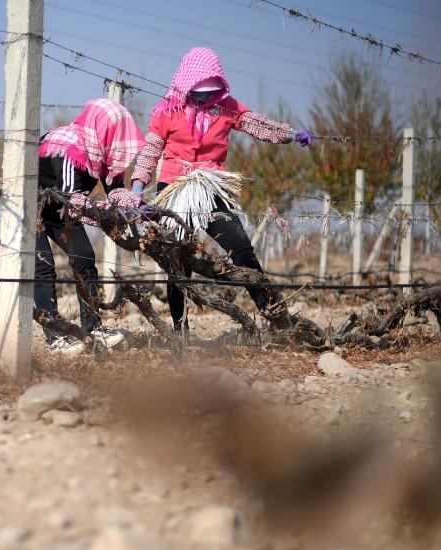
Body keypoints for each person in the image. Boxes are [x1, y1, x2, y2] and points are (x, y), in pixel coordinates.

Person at [129, 47, 312, 331]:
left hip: (212, 187)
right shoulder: (167, 109)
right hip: (174, 187)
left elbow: (256, 123)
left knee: (241, 248)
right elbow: (151, 149)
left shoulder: (227, 107)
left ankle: (277, 318)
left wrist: (289, 133)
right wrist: (138, 185)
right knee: (177, 259)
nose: (205, 97)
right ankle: (180, 330)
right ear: (187, 83)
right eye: (200, 91)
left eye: (210, 91)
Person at [36, 98, 144, 355]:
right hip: (31, 205)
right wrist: (106, 212)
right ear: (102, 129)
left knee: (84, 257)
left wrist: (134, 205)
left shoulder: (103, 153)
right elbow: (72, 201)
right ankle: (55, 335)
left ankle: (92, 328)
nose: (117, 142)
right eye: (115, 135)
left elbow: (114, 190)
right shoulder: (69, 147)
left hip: (60, 205)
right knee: (43, 265)